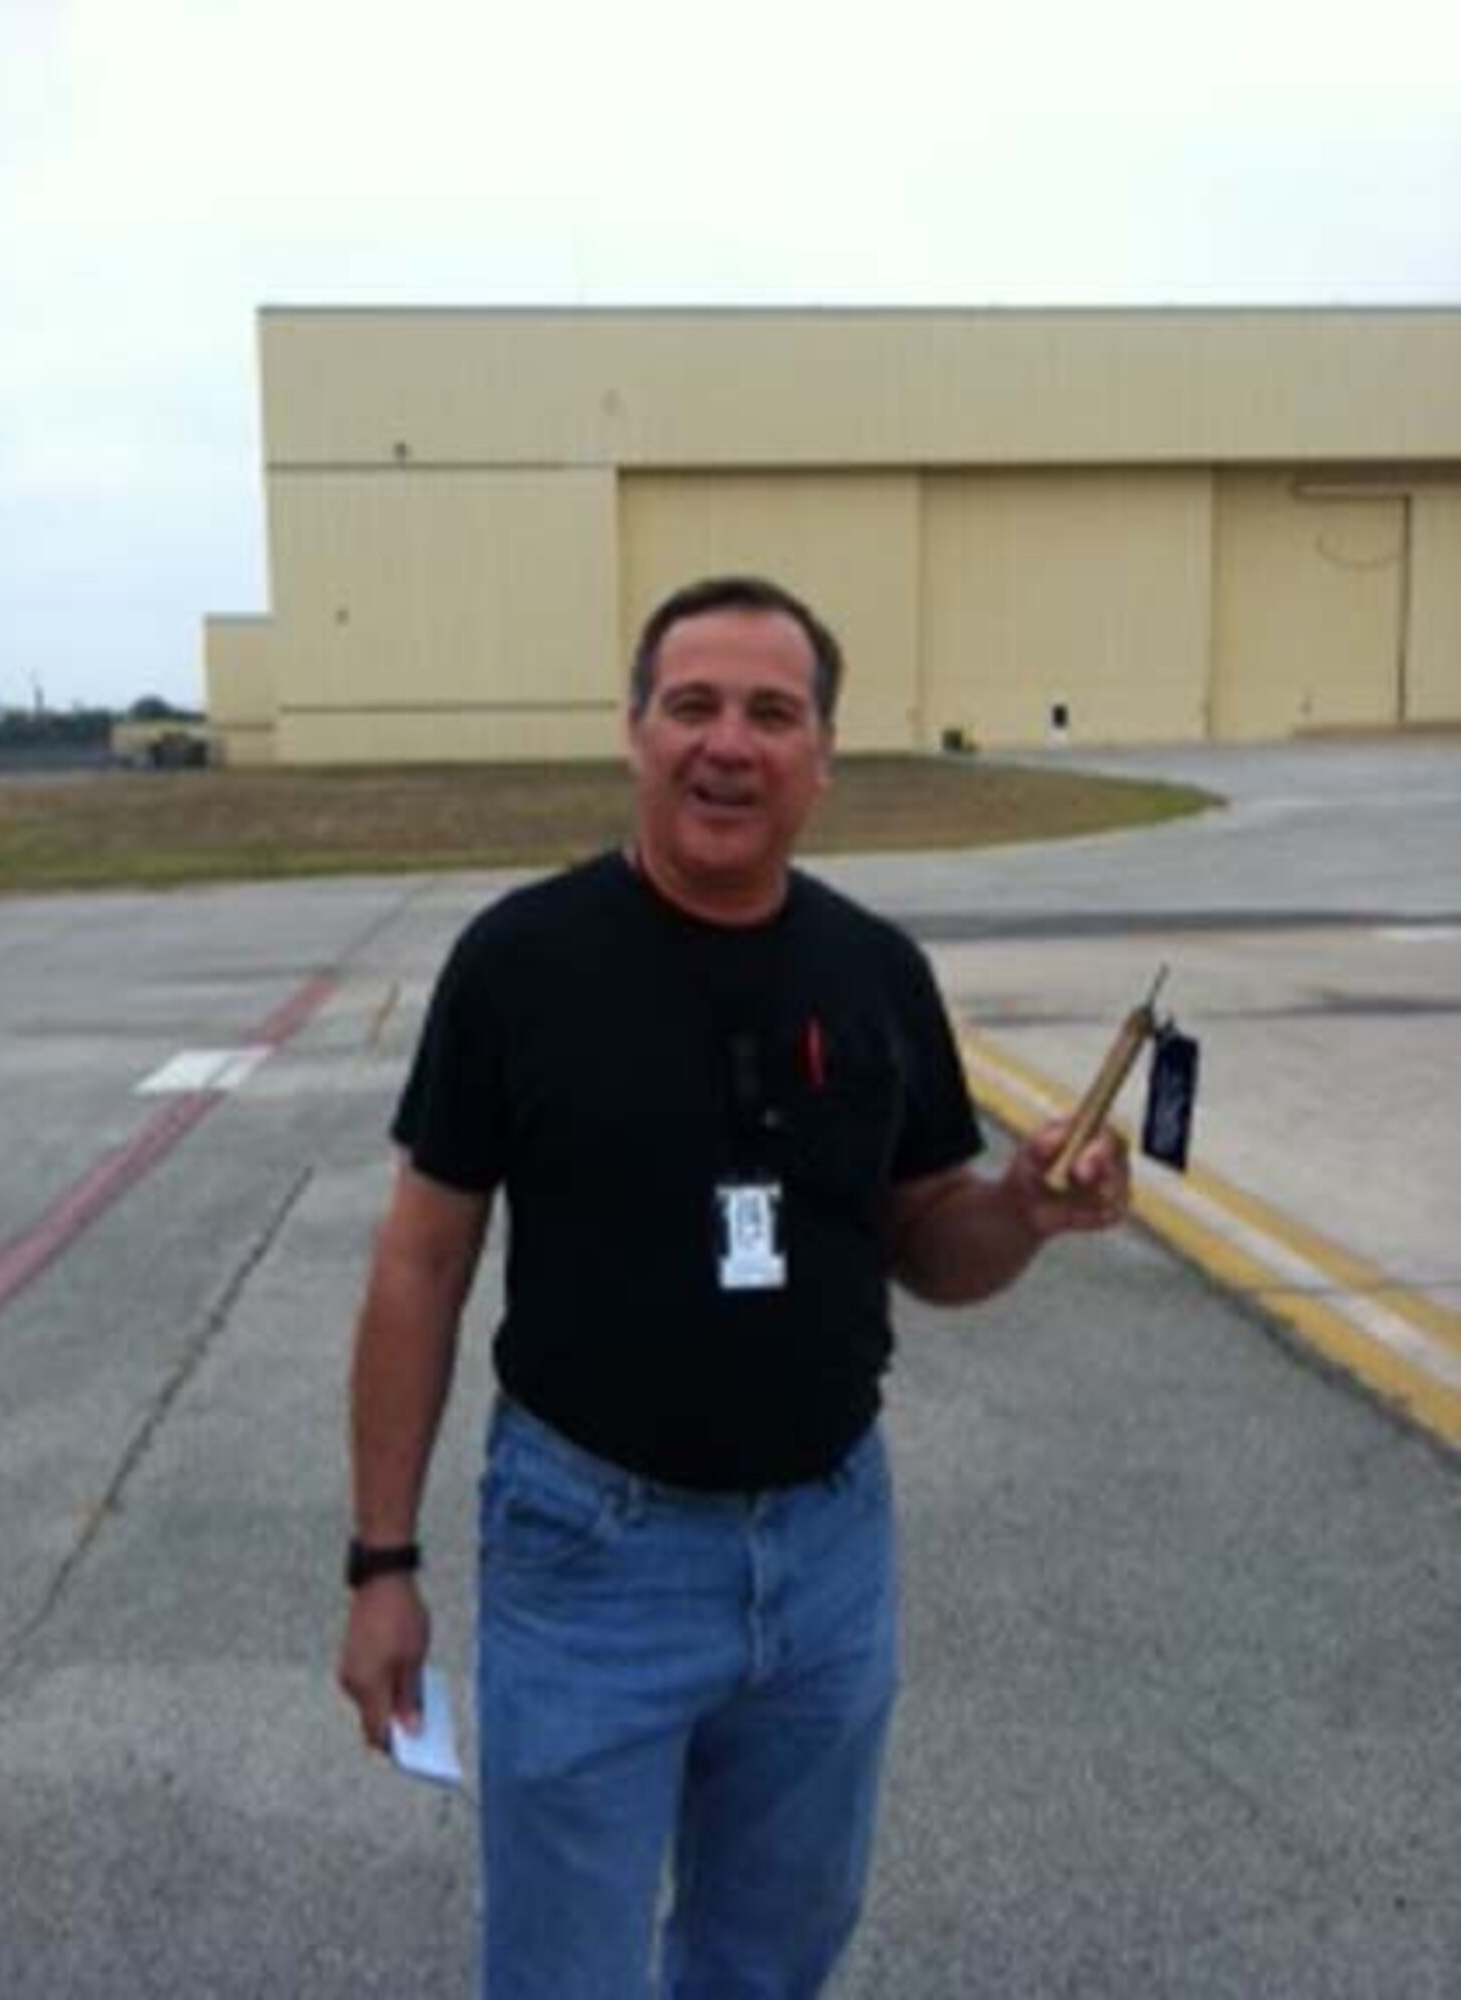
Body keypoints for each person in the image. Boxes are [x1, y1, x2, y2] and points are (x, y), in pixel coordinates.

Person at [338, 574, 1131, 1999]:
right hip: (591, 1554)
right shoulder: (519, 964)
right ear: (635, 734)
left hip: (829, 1553)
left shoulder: (875, 973)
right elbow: (422, 1262)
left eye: (772, 713)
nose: (728, 743)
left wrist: (1021, 1212)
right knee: (567, 1975)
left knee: (770, 1961)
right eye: (692, 705)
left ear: (822, 756)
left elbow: (928, 1241)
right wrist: (380, 1566)